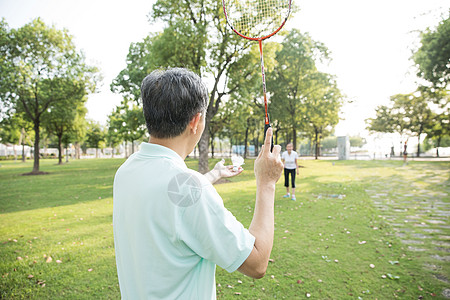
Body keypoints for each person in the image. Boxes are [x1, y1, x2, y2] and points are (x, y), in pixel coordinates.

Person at [113, 68, 283, 299]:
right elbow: (257, 262)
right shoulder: (190, 187)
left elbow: (171, 196)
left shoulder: (128, 170)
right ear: (195, 121)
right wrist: (267, 183)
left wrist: (213, 175)